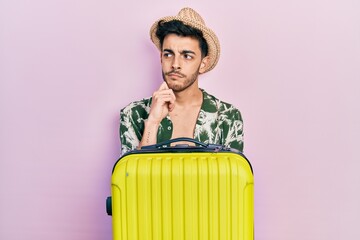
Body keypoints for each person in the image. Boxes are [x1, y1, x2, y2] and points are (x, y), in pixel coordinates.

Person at [119, 7, 244, 154]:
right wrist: (152, 122)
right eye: (168, 54)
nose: (175, 64)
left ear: (203, 64)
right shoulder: (133, 114)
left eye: (187, 56)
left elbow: (233, 175)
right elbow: (132, 176)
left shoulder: (227, 116)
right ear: (160, 58)